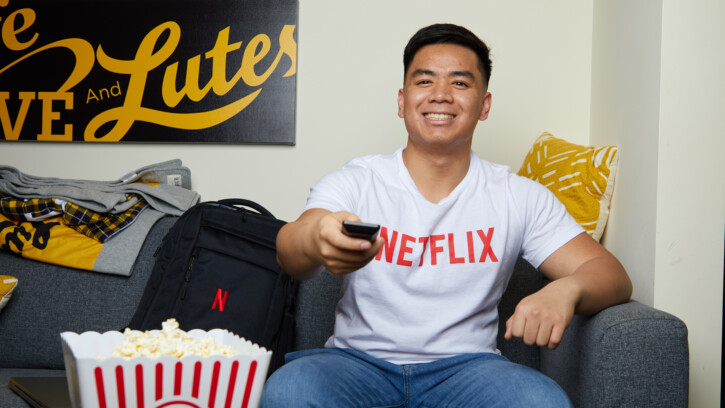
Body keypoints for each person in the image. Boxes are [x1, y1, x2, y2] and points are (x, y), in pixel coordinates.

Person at [261, 23, 632, 407]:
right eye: (425, 82)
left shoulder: (517, 195)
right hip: (356, 366)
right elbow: (290, 251)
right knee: (291, 390)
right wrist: (316, 239)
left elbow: (612, 275)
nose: (440, 96)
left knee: (543, 402)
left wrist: (566, 290)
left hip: (470, 372)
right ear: (402, 101)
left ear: (484, 104)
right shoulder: (357, 181)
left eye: (459, 83)